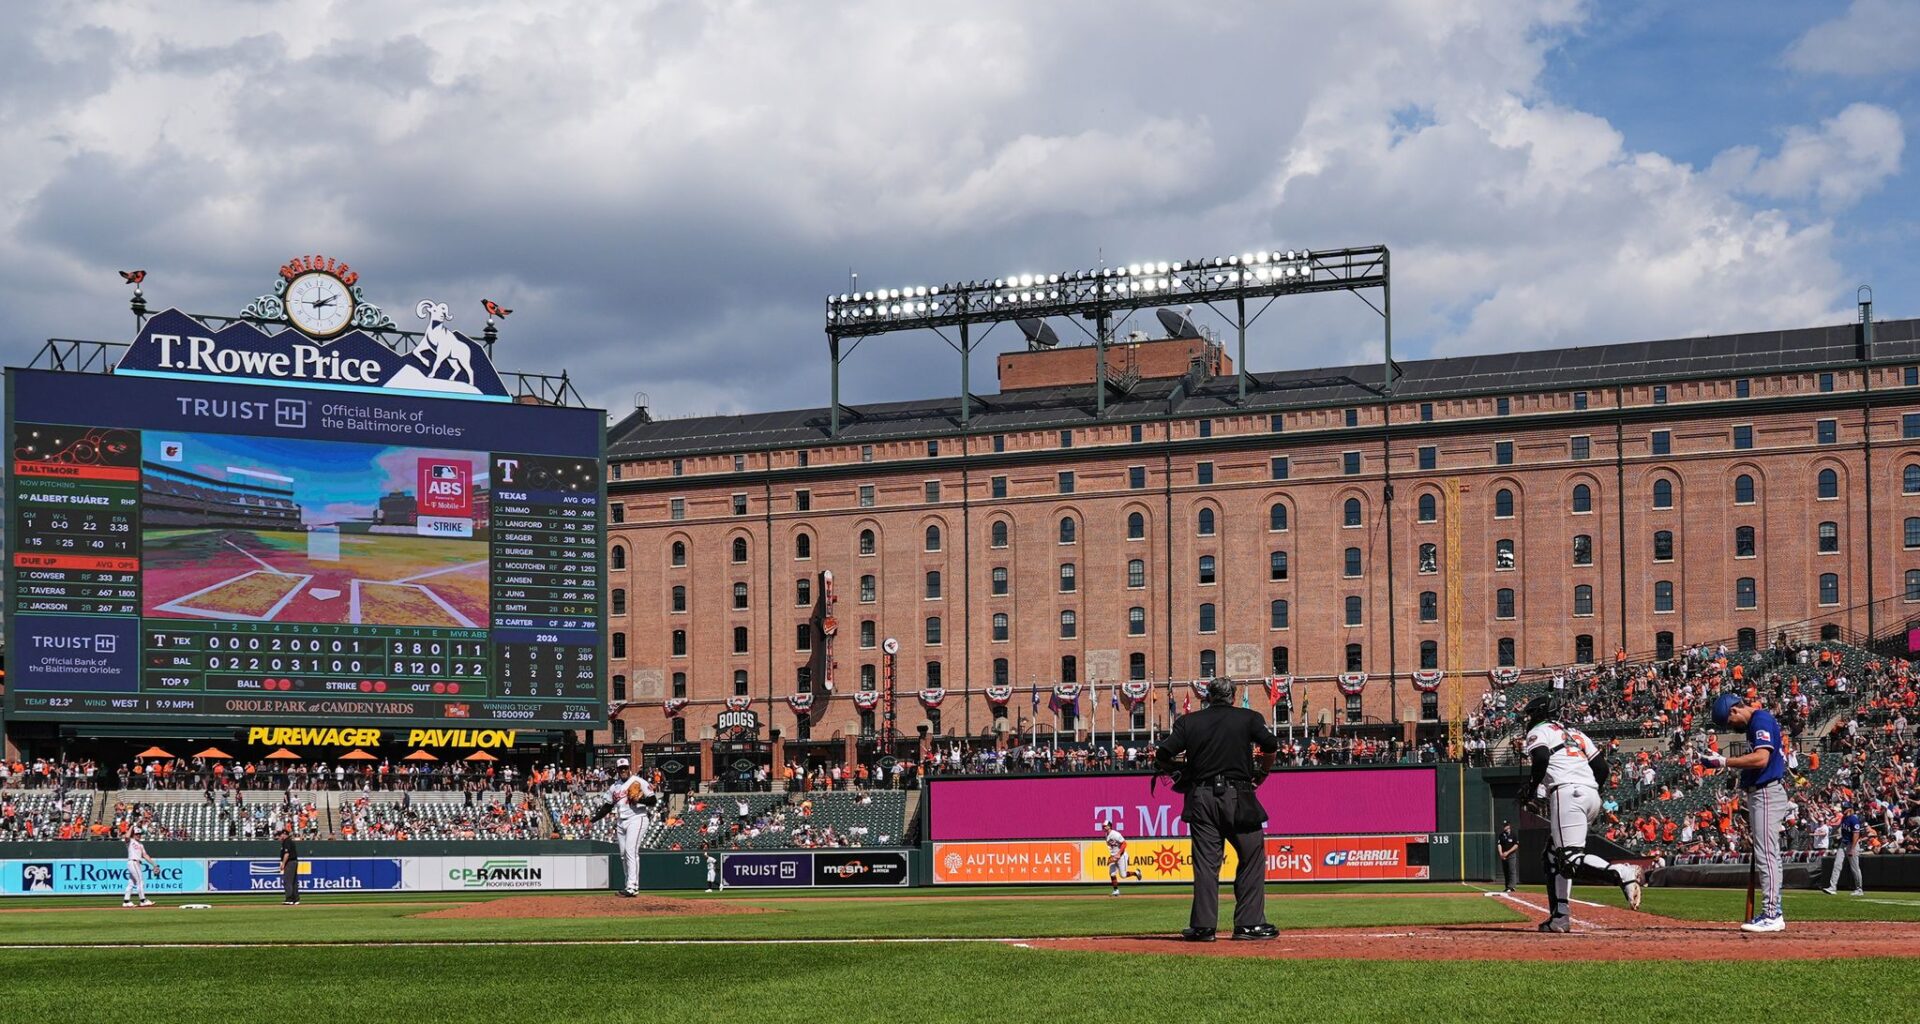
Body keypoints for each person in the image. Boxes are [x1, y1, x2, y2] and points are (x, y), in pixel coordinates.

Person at [1154, 676, 1279, 941]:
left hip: (1201, 797)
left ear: (1207, 697)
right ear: (1232, 696)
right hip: (1239, 797)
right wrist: (1264, 771)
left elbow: (1162, 754)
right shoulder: (1249, 718)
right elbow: (1270, 745)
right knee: (1252, 856)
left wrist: (1178, 771)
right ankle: (1249, 924)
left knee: (1206, 864)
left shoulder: (1189, 722)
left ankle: (1203, 927)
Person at [1521, 696, 1643, 933]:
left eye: (1531, 714)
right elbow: (1602, 769)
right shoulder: (1576, 733)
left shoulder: (1540, 730)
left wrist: (1531, 787)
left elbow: (1542, 758)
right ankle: (1560, 917)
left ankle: (1621, 872)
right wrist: (1587, 789)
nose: (1529, 719)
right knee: (1553, 856)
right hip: (1590, 794)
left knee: (1569, 859)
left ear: (1539, 714)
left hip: (1568, 792)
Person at [1699, 692, 1789, 933]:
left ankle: (1772, 914)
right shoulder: (1754, 724)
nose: (1732, 727)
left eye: (1729, 722)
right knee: (1767, 853)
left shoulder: (1760, 720)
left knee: (1767, 854)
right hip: (1761, 792)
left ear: (1734, 710)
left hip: (1767, 791)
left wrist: (1723, 762)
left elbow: (1761, 759)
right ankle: (1772, 911)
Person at [599, 757, 657, 896]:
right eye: (620, 769)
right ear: (618, 770)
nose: (623, 770)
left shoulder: (639, 781)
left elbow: (653, 800)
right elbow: (607, 806)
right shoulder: (615, 787)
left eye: (625, 768)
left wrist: (640, 799)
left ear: (629, 768)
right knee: (623, 855)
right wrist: (594, 819)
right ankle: (628, 884)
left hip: (637, 818)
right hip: (621, 821)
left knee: (631, 852)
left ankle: (633, 886)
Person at [1823, 802, 1871, 897]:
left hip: (1852, 844)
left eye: (1845, 807)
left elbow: (1856, 834)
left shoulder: (1854, 819)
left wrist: (1852, 849)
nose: (1843, 809)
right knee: (1837, 865)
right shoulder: (1844, 818)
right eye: (1843, 807)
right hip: (1843, 843)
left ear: (1849, 809)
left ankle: (1859, 888)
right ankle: (1832, 887)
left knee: (1855, 868)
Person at [1100, 818, 1145, 896]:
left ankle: (1136, 873)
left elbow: (1124, 843)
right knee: (1112, 873)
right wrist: (1112, 856)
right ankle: (1116, 890)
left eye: (1105, 826)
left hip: (1121, 856)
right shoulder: (1106, 835)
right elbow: (1113, 847)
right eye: (1103, 826)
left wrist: (1118, 854)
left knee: (1123, 875)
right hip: (1114, 856)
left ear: (1109, 826)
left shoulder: (1115, 834)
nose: (1103, 827)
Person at [122, 827, 156, 908]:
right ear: (133, 835)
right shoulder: (130, 841)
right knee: (140, 881)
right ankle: (143, 900)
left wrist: (154, 864)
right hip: (133, 861)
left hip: (137, 863)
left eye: (139, 834)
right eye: (137, 834)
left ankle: (126, 901)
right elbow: (126, 837)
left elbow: (145, 855)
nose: (138, 835)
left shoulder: (141, 844)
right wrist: (131, 827)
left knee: (131, 883)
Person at [278, 825, 300, 905]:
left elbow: (287, 854)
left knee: (288, 881)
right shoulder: (290, 841)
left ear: (284, 834)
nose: (279, 837)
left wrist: (283, 864)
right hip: (294, 862)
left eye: (280, 835)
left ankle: (289, 899)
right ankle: (295, 899)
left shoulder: (286, 841)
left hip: (290, 862)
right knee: (293, 881)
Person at [1497, 820, 1519, 893]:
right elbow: (1499, 844)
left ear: (1509, 826)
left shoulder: (1513, 834)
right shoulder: (1501, 835)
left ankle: (1512, 887)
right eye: (1503, 825)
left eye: (1506, 825)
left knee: (1511, 870)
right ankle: (1507, 887)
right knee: (1506, 871)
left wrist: (1508, 852)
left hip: (1511, 855)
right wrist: (1501, 853)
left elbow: (1516, 845)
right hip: (1504, 855)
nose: (1504, 827)